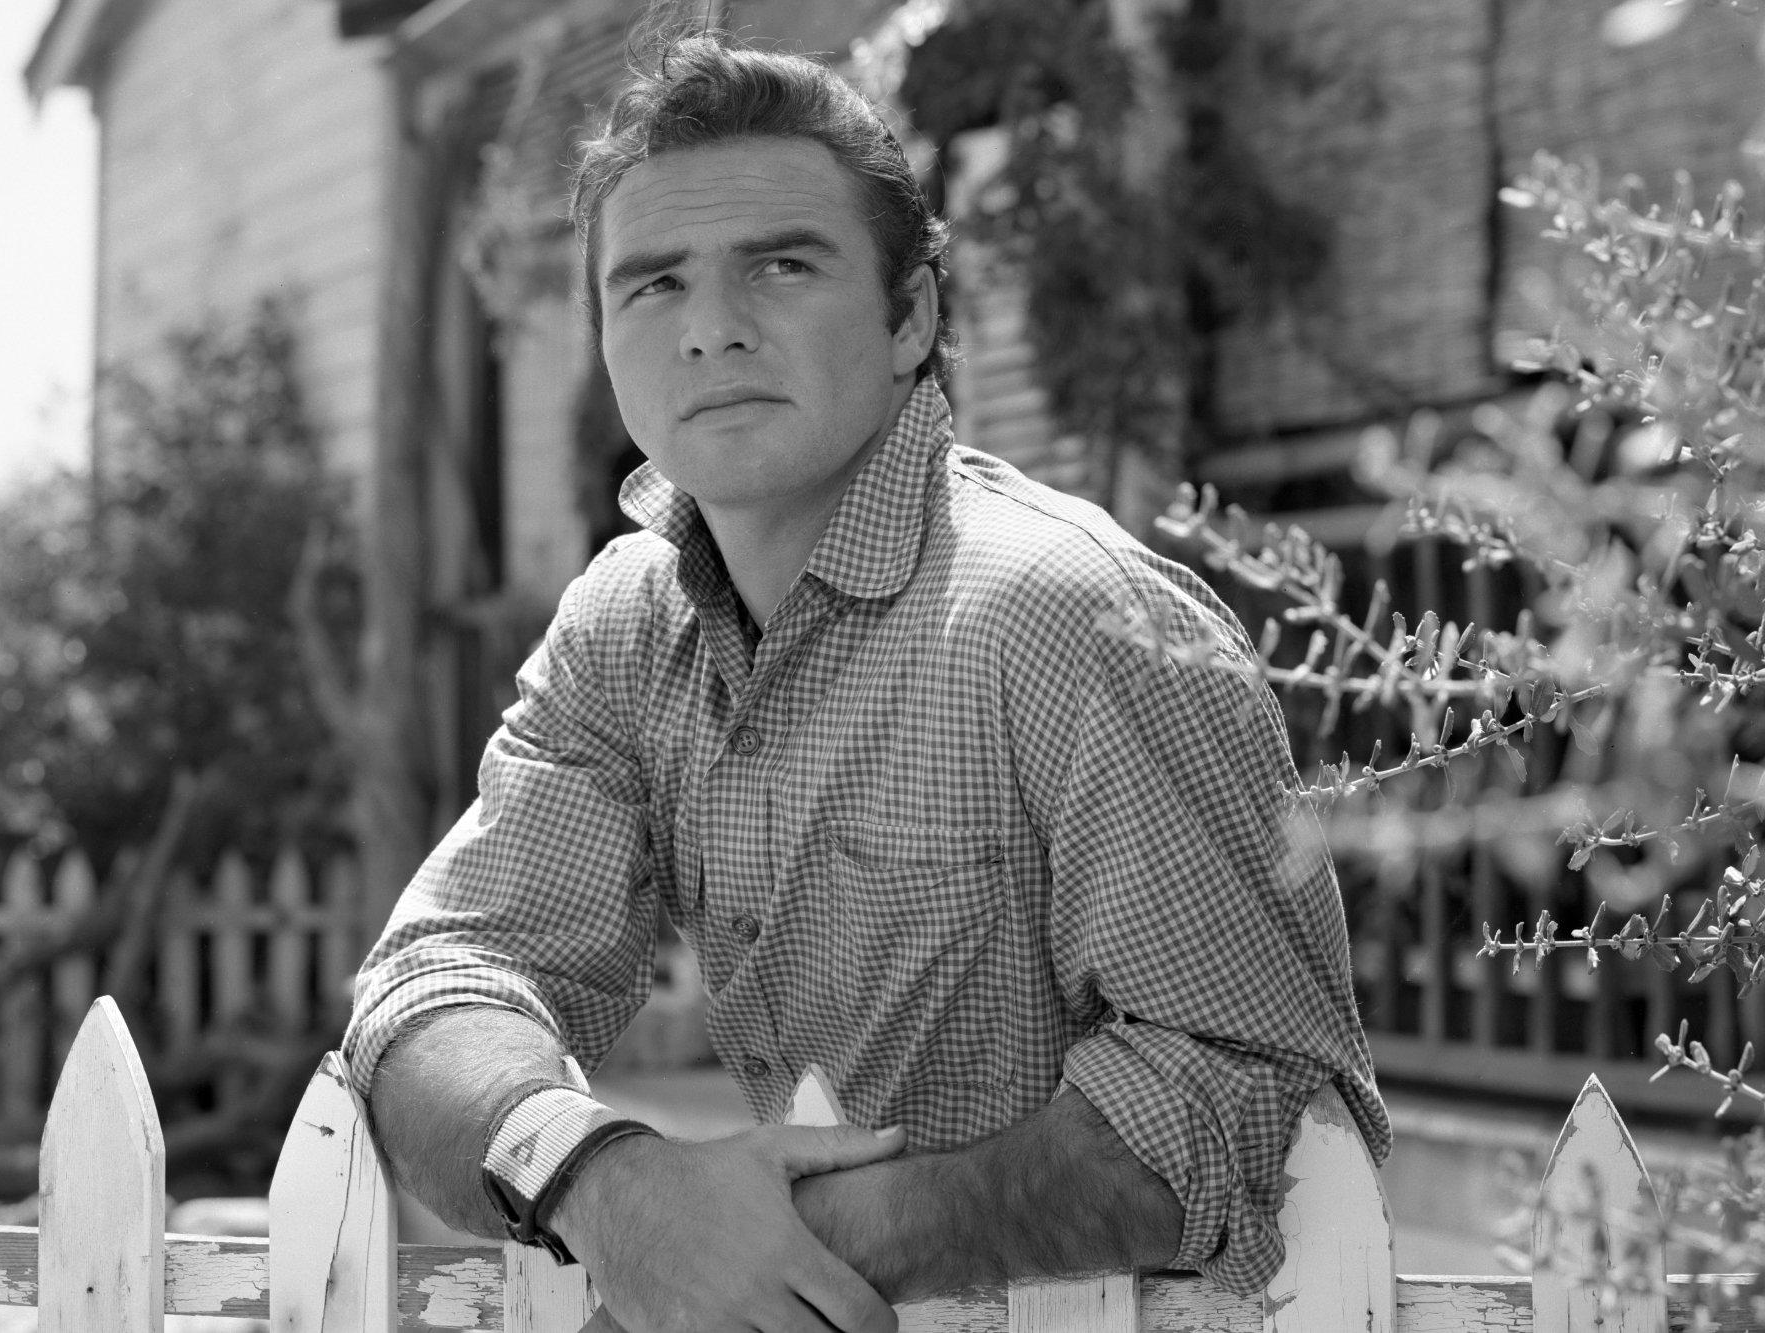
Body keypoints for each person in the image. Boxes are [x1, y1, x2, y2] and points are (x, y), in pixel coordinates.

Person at [343, 26, 1388, 1333]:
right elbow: (433, 989)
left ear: (912, 318)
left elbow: (1255, 1091)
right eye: (652, 285)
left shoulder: (1071, 618)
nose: (711, 330)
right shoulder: (628, 621)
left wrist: (794, 1245)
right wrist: (608, 1185)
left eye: (782, 266)